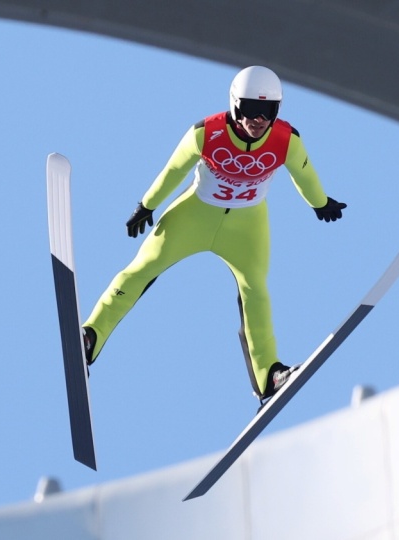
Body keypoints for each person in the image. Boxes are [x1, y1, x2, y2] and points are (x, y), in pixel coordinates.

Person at [81, 66, 346, 403]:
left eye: (267, 111)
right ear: (235, 105)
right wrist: (147, 205)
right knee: (141, 268)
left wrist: (319, 203)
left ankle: (270, 376)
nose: (258, 119)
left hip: (247, 227)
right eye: (250, 109)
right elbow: (173, 169)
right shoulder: (206, 133)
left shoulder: (285, 140)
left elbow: (304, 173)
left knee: (256, 292)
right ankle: (90, 336)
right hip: (195, 215)